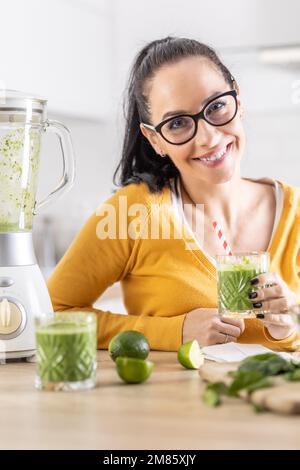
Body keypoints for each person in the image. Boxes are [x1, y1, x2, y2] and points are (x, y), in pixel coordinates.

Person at [47, 37, 300, 352]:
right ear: (155, 140)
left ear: (238, 97)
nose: (208, 137)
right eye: (178, 123)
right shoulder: (132, 213)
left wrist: (290, 326)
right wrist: (173, 331)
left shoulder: (295, 213)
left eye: (217, 105)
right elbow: (50, 313)